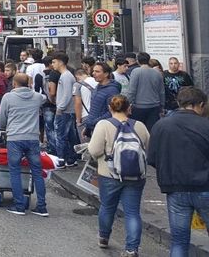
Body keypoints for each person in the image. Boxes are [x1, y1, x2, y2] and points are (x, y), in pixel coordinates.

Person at [147, 86, 209, 257]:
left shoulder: (161, 125)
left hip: (175, 188)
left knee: (179, 241)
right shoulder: (206, 125)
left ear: (179, 103)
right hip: (205, 186)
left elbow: (151, 158)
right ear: (200, 104)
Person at [88, 94, 149, 257]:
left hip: (109, 174)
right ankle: (131, 249)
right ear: (129, 108)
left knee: (107, 207)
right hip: (136, 175)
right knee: (132, 212)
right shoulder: (140, 126)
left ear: (110, 108)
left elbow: (94, 150)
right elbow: (146, 146)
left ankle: (103, 237)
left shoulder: (104, 125)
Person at [0, 72, 49, 216]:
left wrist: (3, 127)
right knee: (37, 172)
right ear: (28, 83)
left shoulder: (8, 97)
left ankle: (19, 205)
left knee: (14, 170)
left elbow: (2, 118)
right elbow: (45, 97)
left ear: (14, 83)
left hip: (14, 137)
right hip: (33, 137)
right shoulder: (36, 97)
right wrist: (32, 87)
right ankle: (41, 206)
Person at [51, 52, 80, 168]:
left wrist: (60, 107)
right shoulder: (66, 75)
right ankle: (71, 158)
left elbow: (67, 94)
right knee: (69, 135)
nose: (53, 65)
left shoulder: (66, 76)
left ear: (60, 62)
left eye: (54, 62)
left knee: (60, 135)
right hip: (68, 111)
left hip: (65, 111)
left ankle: (61, 159)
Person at [125, 52, 164, 132]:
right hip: (154, 106)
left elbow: (132, 90)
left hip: (139, 106)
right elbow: (161, 91)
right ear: (148, 60)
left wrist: (127, 104)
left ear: (138, 61)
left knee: (138, 130)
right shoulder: (157, 73)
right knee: (151, 130)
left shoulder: (136, 72)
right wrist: (162, 106)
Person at [83, 63, 122, 138]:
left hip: (103, 128)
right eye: (93, 71)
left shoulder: (112, 90)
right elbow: (94, 109)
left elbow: (113, 111)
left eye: (97, 72)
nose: (93, 73)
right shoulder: (98, 87)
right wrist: (88, 126)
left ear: (106, 74)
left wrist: (94, 122)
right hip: (93, 127)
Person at [74, 68, 97, 142]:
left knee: (85, 143)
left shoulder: (78, 85)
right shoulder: (98, 82)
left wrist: (78, 120)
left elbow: (78, 103)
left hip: (85, 115)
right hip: (98, 115)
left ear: (77, 76)